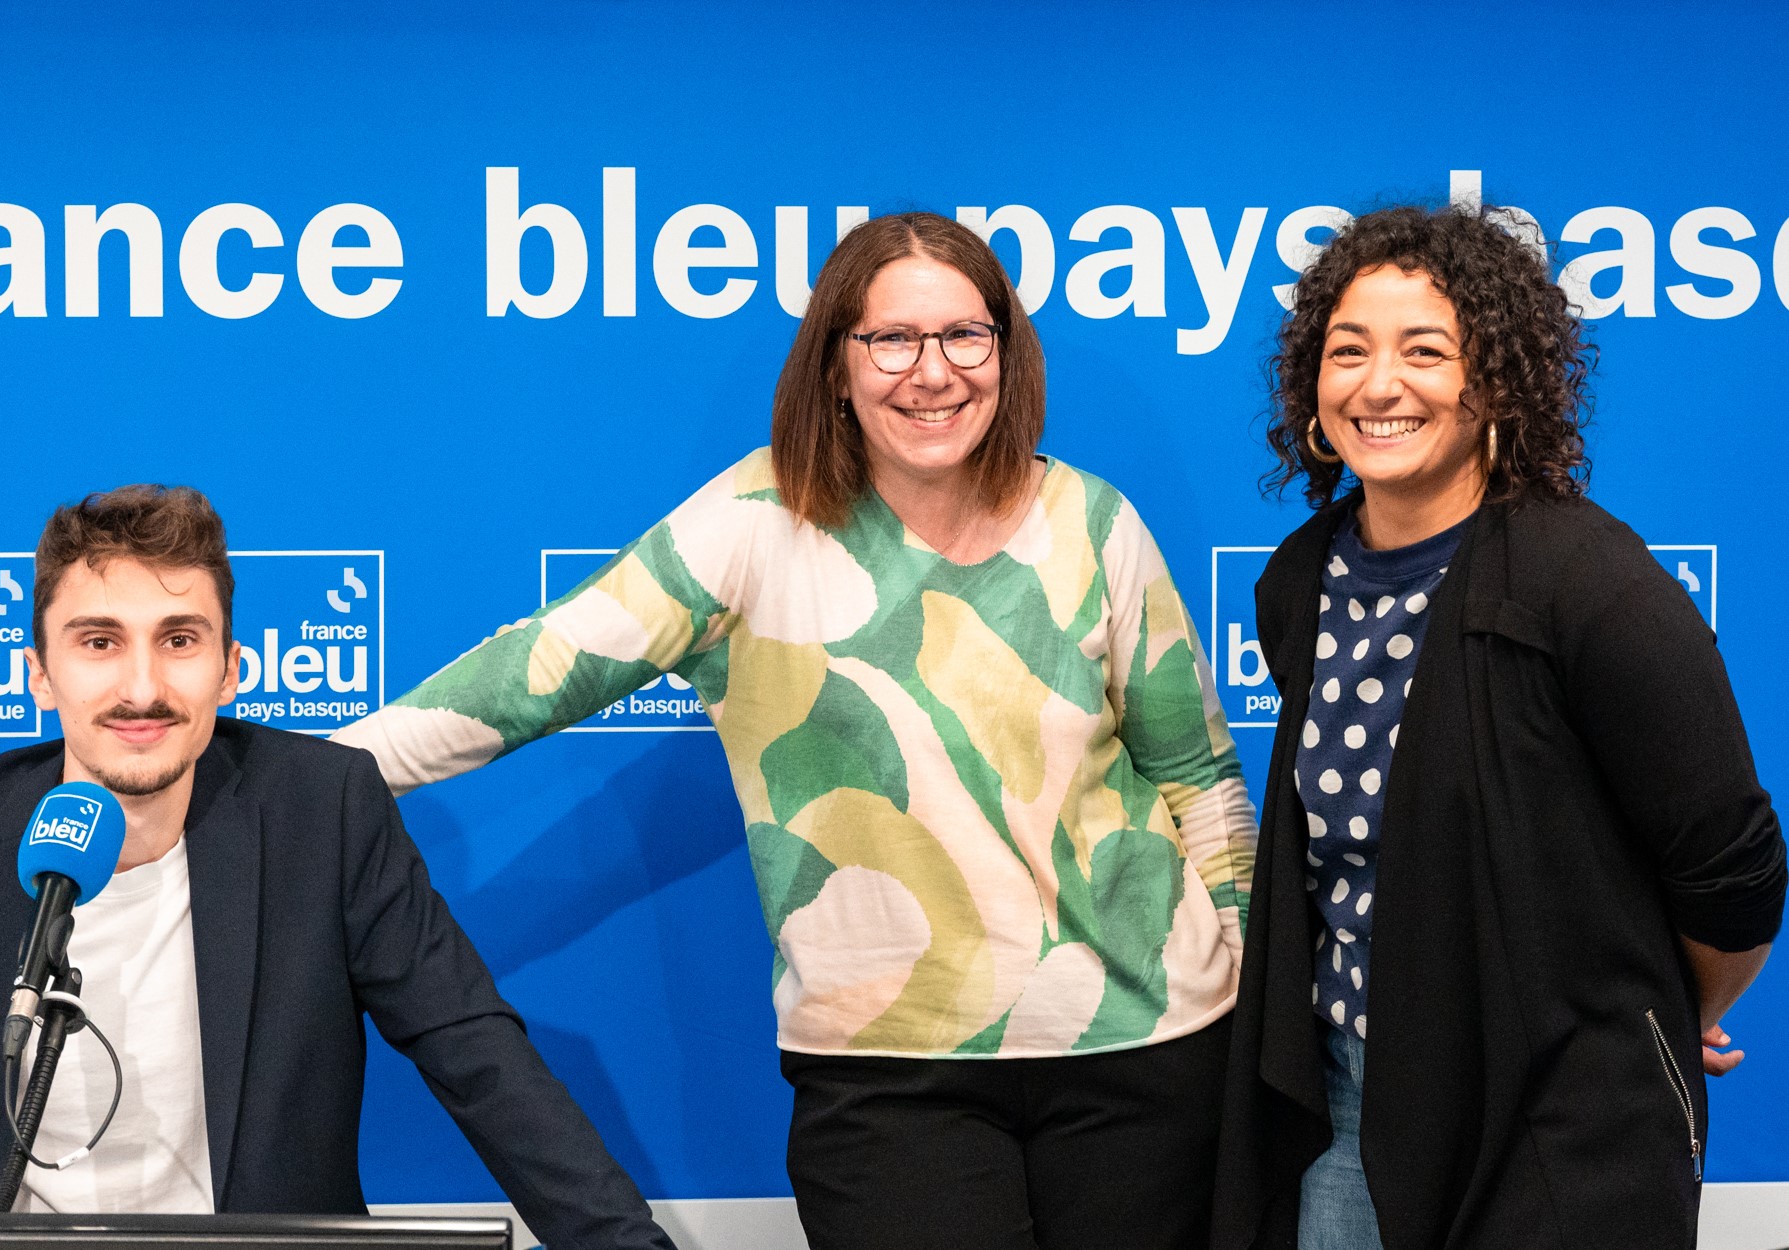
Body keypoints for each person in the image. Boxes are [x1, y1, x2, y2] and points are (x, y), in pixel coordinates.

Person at [331, 211, 1258, 1250]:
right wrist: (288, 776)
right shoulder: (752, 522)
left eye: (965, 335)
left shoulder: (1092, 519)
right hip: (889, 1077)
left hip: (1148, 1050)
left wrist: (1244, 970)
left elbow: (1197, 772)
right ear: (836, 364)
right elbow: (531, 674)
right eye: (892, 339)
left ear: (1005, 349)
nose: (932, 372)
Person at [0, 485, 676, 1248]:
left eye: (179, 640)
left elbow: (480, 1061)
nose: (140, 687)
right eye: (98, 642)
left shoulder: (323, 813)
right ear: (39, 675)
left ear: (230, 669)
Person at [1211, 204, 1787, 1249]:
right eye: (1349, 350)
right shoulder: (1300, 581)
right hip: (1345, 1102)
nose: (1379, 384)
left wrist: (1646, 1005)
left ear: (1498, 382)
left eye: (1425, 350)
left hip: (1557, 1120)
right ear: (1312, 384)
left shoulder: (1587, 580)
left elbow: (1734, 868)